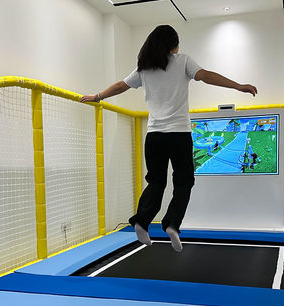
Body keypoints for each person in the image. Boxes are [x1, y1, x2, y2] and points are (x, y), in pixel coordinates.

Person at [81, 25, 257, 252]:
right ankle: (172, 224)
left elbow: (120, 86)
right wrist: (238, 86)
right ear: (173, 44)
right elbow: (206, 76)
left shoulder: (145, 68)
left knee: (156, 182)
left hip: (154, 136)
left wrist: (97, 96)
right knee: (184, 182)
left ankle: (142, 220)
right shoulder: (183, 61)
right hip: (179, 134)